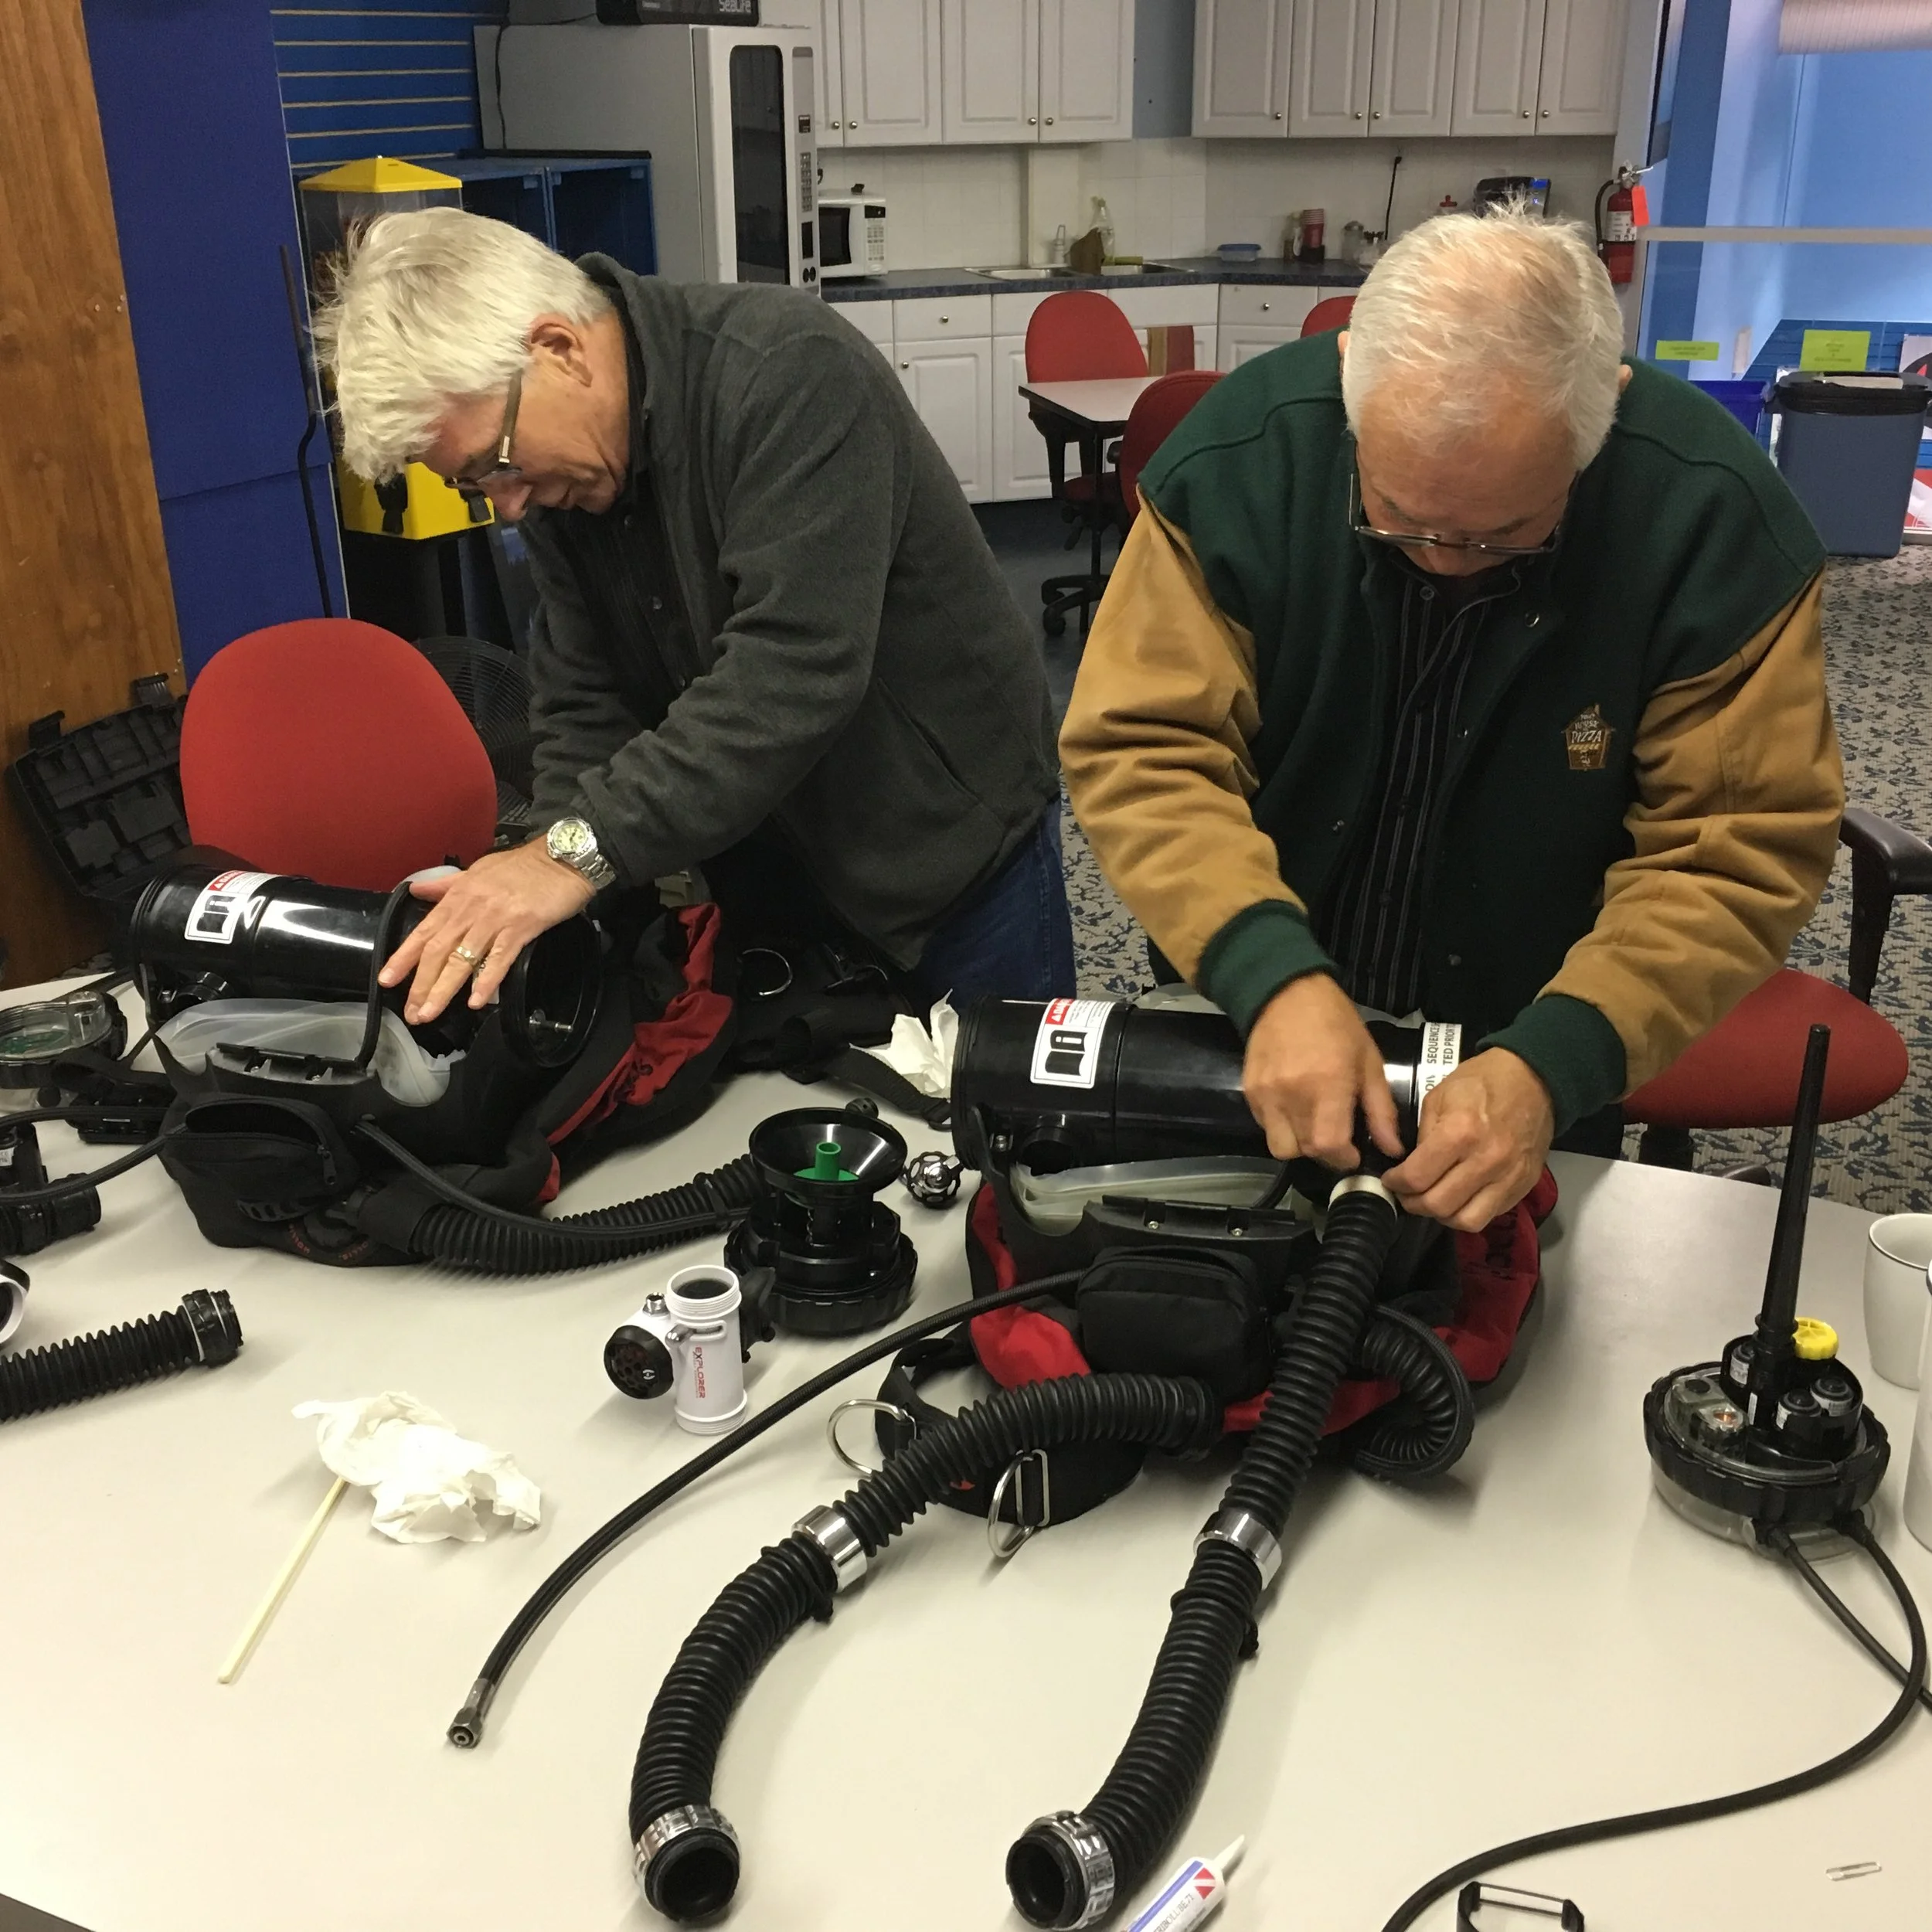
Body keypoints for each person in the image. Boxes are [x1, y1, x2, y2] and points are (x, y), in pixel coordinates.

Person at [1060, 209, 1841, 1232]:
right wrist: (1270, 975)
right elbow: (1148, 748)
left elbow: (1733, 847)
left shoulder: (1712, 520)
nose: (1444, 560)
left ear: (1599, 410)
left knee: (1515, 1334)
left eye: (1505, 533)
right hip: (1256, 1014)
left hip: (1539, 1026)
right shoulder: (1240, 465)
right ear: (1349, 373)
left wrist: (1554, 1062)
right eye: (1400, 517)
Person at [311, 209, 1070, 1028]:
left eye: (491, 465)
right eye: (474, 486)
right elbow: (582, 696)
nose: (507, 506)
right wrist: (539, 858)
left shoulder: (790, 372)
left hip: (946, 850)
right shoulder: (563, 477)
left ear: (559, 350)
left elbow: (792, 670)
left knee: (1018, 1127)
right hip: (774, 862)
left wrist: (574, 857)